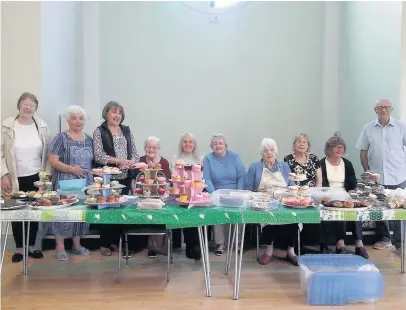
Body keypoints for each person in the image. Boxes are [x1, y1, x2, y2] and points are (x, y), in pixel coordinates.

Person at [1, 92, 51, 263]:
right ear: (19, 105)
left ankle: (33, 246)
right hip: (15, 178)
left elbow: (48, 153)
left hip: (37, 176)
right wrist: (3, 175)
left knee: (35, 211)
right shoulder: (7, 126)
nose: (28, 107)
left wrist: (46, 176)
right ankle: (20, 249)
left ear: (35, 108)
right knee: (16, 213)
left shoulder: (42, 126)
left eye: (32, 105)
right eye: (25, 103)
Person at [356, 99, 406, 253]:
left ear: (391, 109)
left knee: (399, 209)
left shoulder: (401, 126)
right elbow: (363, 150)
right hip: (377, 177)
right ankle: (384, 238)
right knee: (379, 208)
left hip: (398, 175)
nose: (384, 110)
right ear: (375, 110)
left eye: (387, 107)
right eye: (380, 108)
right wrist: (367, 170)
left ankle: (400, 243)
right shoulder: (368, 128)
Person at [93, 101, 140, 256]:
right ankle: (104, 244)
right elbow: (99, 156)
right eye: (114, 112)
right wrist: (119, 161)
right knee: (107, 211)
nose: (117, 115)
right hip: (107, 179)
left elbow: (134, 152)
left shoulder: (126, 130)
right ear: (106, 113)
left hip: (126, 177)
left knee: (121, 210)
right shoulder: (99, 131)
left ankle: (116, 241)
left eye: (119, 112)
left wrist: (131, 162)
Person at [45, 106, 92, 261]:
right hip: (64, 182)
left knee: (80, 214)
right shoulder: (61, 138)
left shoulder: (89, 139)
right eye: (74, 118)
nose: (78, 121)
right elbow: (52, 161)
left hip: (85, 184)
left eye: (81, 118)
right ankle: (60, 246)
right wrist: (72, 169)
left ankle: (77, 245)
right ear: (68, 120)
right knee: (62, 214)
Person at [245, 138, 299, 266]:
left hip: (284, 200)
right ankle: (268, 251)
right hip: (264, 201)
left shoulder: (284, 166)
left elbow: (292, 185)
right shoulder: (255, 167)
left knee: (293, 217)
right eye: (266, 150)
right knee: (269, 219)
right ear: (261, 153)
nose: (269, 152)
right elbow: (248, 188)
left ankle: (291, 251)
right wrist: (256, 198)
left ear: (276, 152)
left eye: (272, 150)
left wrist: (292, 194)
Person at [320, 134, 369, 259]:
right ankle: (340, 243)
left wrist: (351, 195)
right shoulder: (321, 163)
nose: (339, 149)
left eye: (341, 147)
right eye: (335, 147)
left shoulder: (347, 164)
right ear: (328, 149)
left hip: (345, 195)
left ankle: (359, 243)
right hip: (328, 196)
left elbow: (352, 184)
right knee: (339, 208)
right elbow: (321, 185)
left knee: (354, 208)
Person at [203, 134, 246, 256]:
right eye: (215, 144)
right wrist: (214, 193)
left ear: (225, 145)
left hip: (235, 191)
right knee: (217, 210)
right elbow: (207, 178)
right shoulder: (208, 158)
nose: (218, 146)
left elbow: (242, 176)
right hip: (217, 192)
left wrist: (238, 193)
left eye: (220, 143)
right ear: (212, 146)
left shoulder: (235, 157)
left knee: (239, 211)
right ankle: (220, 243)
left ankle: (237, 243)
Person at [283, 133, 322, 253]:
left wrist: (316, 193)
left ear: (308, 146)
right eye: (299, 141)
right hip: (294, 195)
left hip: (311, 194)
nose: (301, 144)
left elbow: (319, 179)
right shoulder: (288, 159)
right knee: (293, 214)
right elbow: (286, 180)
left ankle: (309, 243)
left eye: (304, 142)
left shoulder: (314, 159)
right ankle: (292, 246)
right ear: (294, 145)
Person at [137, 136, 171, 258]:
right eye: (148, 147)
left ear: (159, 149)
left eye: (154, 147)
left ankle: (159, 246)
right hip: (142, 196)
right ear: (145, 148)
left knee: (159, 215)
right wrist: (135, 192)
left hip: (159, 196)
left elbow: (167, 183)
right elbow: (134, 180)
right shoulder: (140, 160)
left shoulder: (164, 162)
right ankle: (147, 246)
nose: (151, 149)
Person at [171, 132, 203, 260]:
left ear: (194, 145)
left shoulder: (200, 159)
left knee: (193, 217)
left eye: (191, 142)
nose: (188, 144)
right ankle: (176, 245)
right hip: (180, 194)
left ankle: (193, 247)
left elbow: (201, 178)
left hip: (195, 195)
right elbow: (175, 177)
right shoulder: (175, 158)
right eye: (185, 141)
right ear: (181, 144)